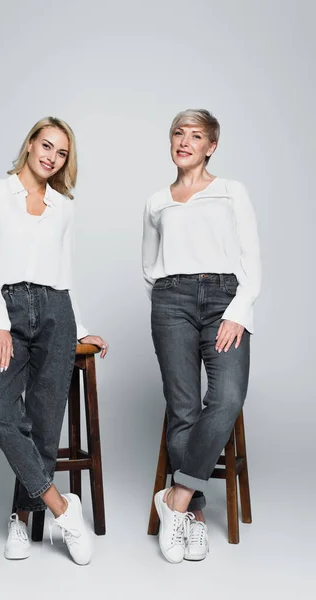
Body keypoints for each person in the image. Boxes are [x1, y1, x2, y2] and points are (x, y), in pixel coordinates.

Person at [0, 116, 108, 563]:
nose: (52, 157)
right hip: (7, 308)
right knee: (2, 414)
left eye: (62, 152)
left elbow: (64, 274)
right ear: (30, 144)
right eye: (46, 146)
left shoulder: (63, 206)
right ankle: (61, 508)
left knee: (45, 423)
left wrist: (81, 327)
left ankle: (21, 516)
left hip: (56, 312)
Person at [142, 109, 261, 563]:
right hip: (170, 301)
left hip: (224, 299)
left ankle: (176, 498)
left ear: (211, 146)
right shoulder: (157, 201)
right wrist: (168, 299)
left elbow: (252, 259)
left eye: (196, 136)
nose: (185, 142)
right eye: (178, 133)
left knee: (227, 396)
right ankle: (193, 517)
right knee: (183, 406)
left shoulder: (231, 192)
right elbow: (149, 268)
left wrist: (237, 310)